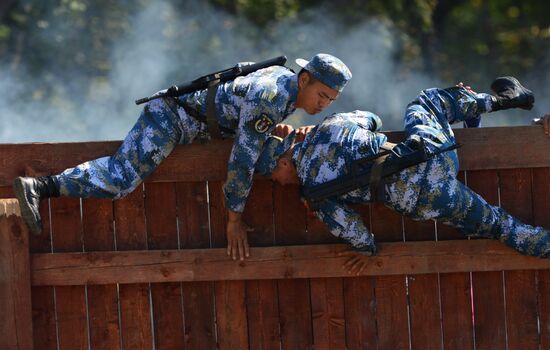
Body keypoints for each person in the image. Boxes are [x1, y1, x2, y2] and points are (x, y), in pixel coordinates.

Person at [13, 53, 352, 261]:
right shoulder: (272, 96)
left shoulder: (285, 91)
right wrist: (234, 220)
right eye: (321, 95)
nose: (323, 105)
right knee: (120, 179)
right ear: (304, 79)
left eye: (331, 101)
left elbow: (252, 131)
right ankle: (40, 187)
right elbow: (242, 161)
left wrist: (293, 135)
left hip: (194, 124)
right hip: (172, 118)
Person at [256, 76, 549, 274]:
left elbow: (357, 234)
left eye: (274, 177)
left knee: (498, 225)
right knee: (427, 103)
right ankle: (495, 102)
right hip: (431, 155)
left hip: (425, 199)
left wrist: (366, 252)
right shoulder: (330, 126)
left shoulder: (316, 197)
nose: (278, 183)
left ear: (283, 163)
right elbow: (373, 120)